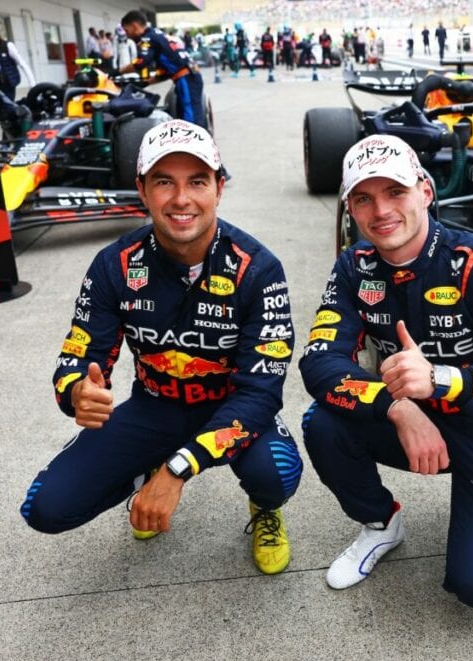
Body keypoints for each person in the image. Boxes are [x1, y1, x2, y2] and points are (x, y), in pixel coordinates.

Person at [20, 120, 302, 575]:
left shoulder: (259, 268)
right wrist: (75, 391)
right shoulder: (115, 264)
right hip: (154, 407)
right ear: (143, 190)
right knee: (46, 509)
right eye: (164, 182)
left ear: (219, 188)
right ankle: (147, 470)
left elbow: (261, 393)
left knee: (277, 473)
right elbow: (78, 354)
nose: (181, 199)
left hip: (233, 408)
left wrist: (176, 473)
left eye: (197, 182)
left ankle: (263, 509)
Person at [299, 135, 473, 608]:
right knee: (322, 422)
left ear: (424, 191)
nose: (380, 211)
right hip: (408, 413)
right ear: (350, 210)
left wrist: (442, 379)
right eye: (363, 198)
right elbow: (318, 362)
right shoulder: (354, 267)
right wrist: (398, 406)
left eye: (394, 192)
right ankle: (381, 523)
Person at [119, 10, 206, 130]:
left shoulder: (148, 38)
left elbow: (140, 62)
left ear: (134, 26)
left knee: (191, 118)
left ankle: (195, 145)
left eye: (127, 30)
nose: (127, 35)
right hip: (188, 76)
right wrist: (149, 81)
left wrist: (120, 71)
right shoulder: (157, 34)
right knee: (187, 113)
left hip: (186, 78)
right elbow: (169, 66)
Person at [0, 19, 36, 102]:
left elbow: (22, 63)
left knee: (8, 107)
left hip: (7, 83)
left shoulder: (7, 45)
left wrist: (32, 83)